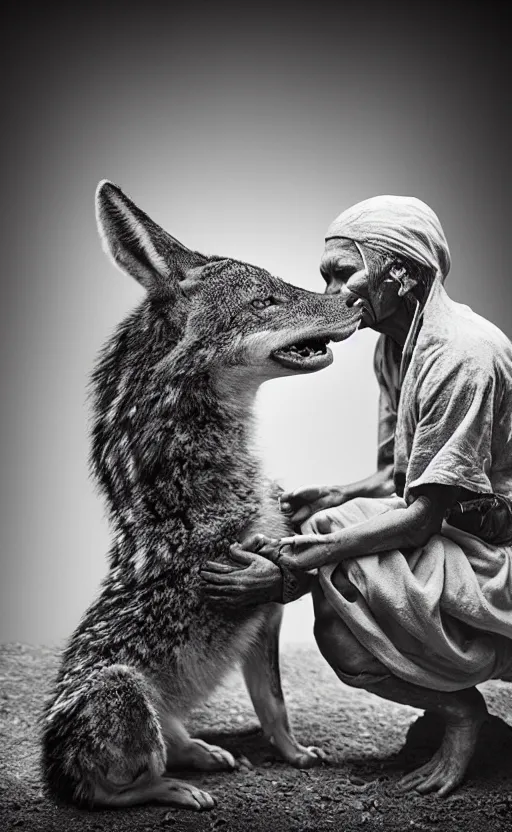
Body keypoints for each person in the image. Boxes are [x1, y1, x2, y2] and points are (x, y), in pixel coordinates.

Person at [200, 195, 512, 797]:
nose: (331, 290)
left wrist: (296, 565)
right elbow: (398, 477)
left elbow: (422, 518)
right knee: (324, 520)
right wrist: (333, 493)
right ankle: (441, 702)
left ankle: (461, 714)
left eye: (344, 272)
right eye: (326, 274)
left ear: (403, 272)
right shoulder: (394, 345)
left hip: (493, 557)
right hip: (451, 532)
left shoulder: (464, 356)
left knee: (329, 566)